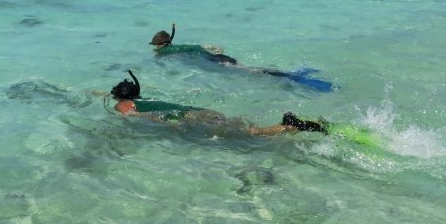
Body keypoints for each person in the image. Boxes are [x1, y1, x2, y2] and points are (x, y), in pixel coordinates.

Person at [107, 70, 327, 137]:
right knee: (240, 128)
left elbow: (134, 115)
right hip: (200, 112)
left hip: (188, 119)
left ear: (120, 97)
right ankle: (287, 129)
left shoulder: (124, 105)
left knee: (252, 133)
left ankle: (291, 126)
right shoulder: (147, 99)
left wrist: (168, 125)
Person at [149, 23, 334, 92]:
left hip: (217, 62)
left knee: (254, 72)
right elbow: (211, 47)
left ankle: (294, 77)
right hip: (221, 57)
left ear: (160, 45)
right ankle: (294, 74)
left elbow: (161, 56)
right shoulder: (185, 46)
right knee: (251, 69)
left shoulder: (166, 52)